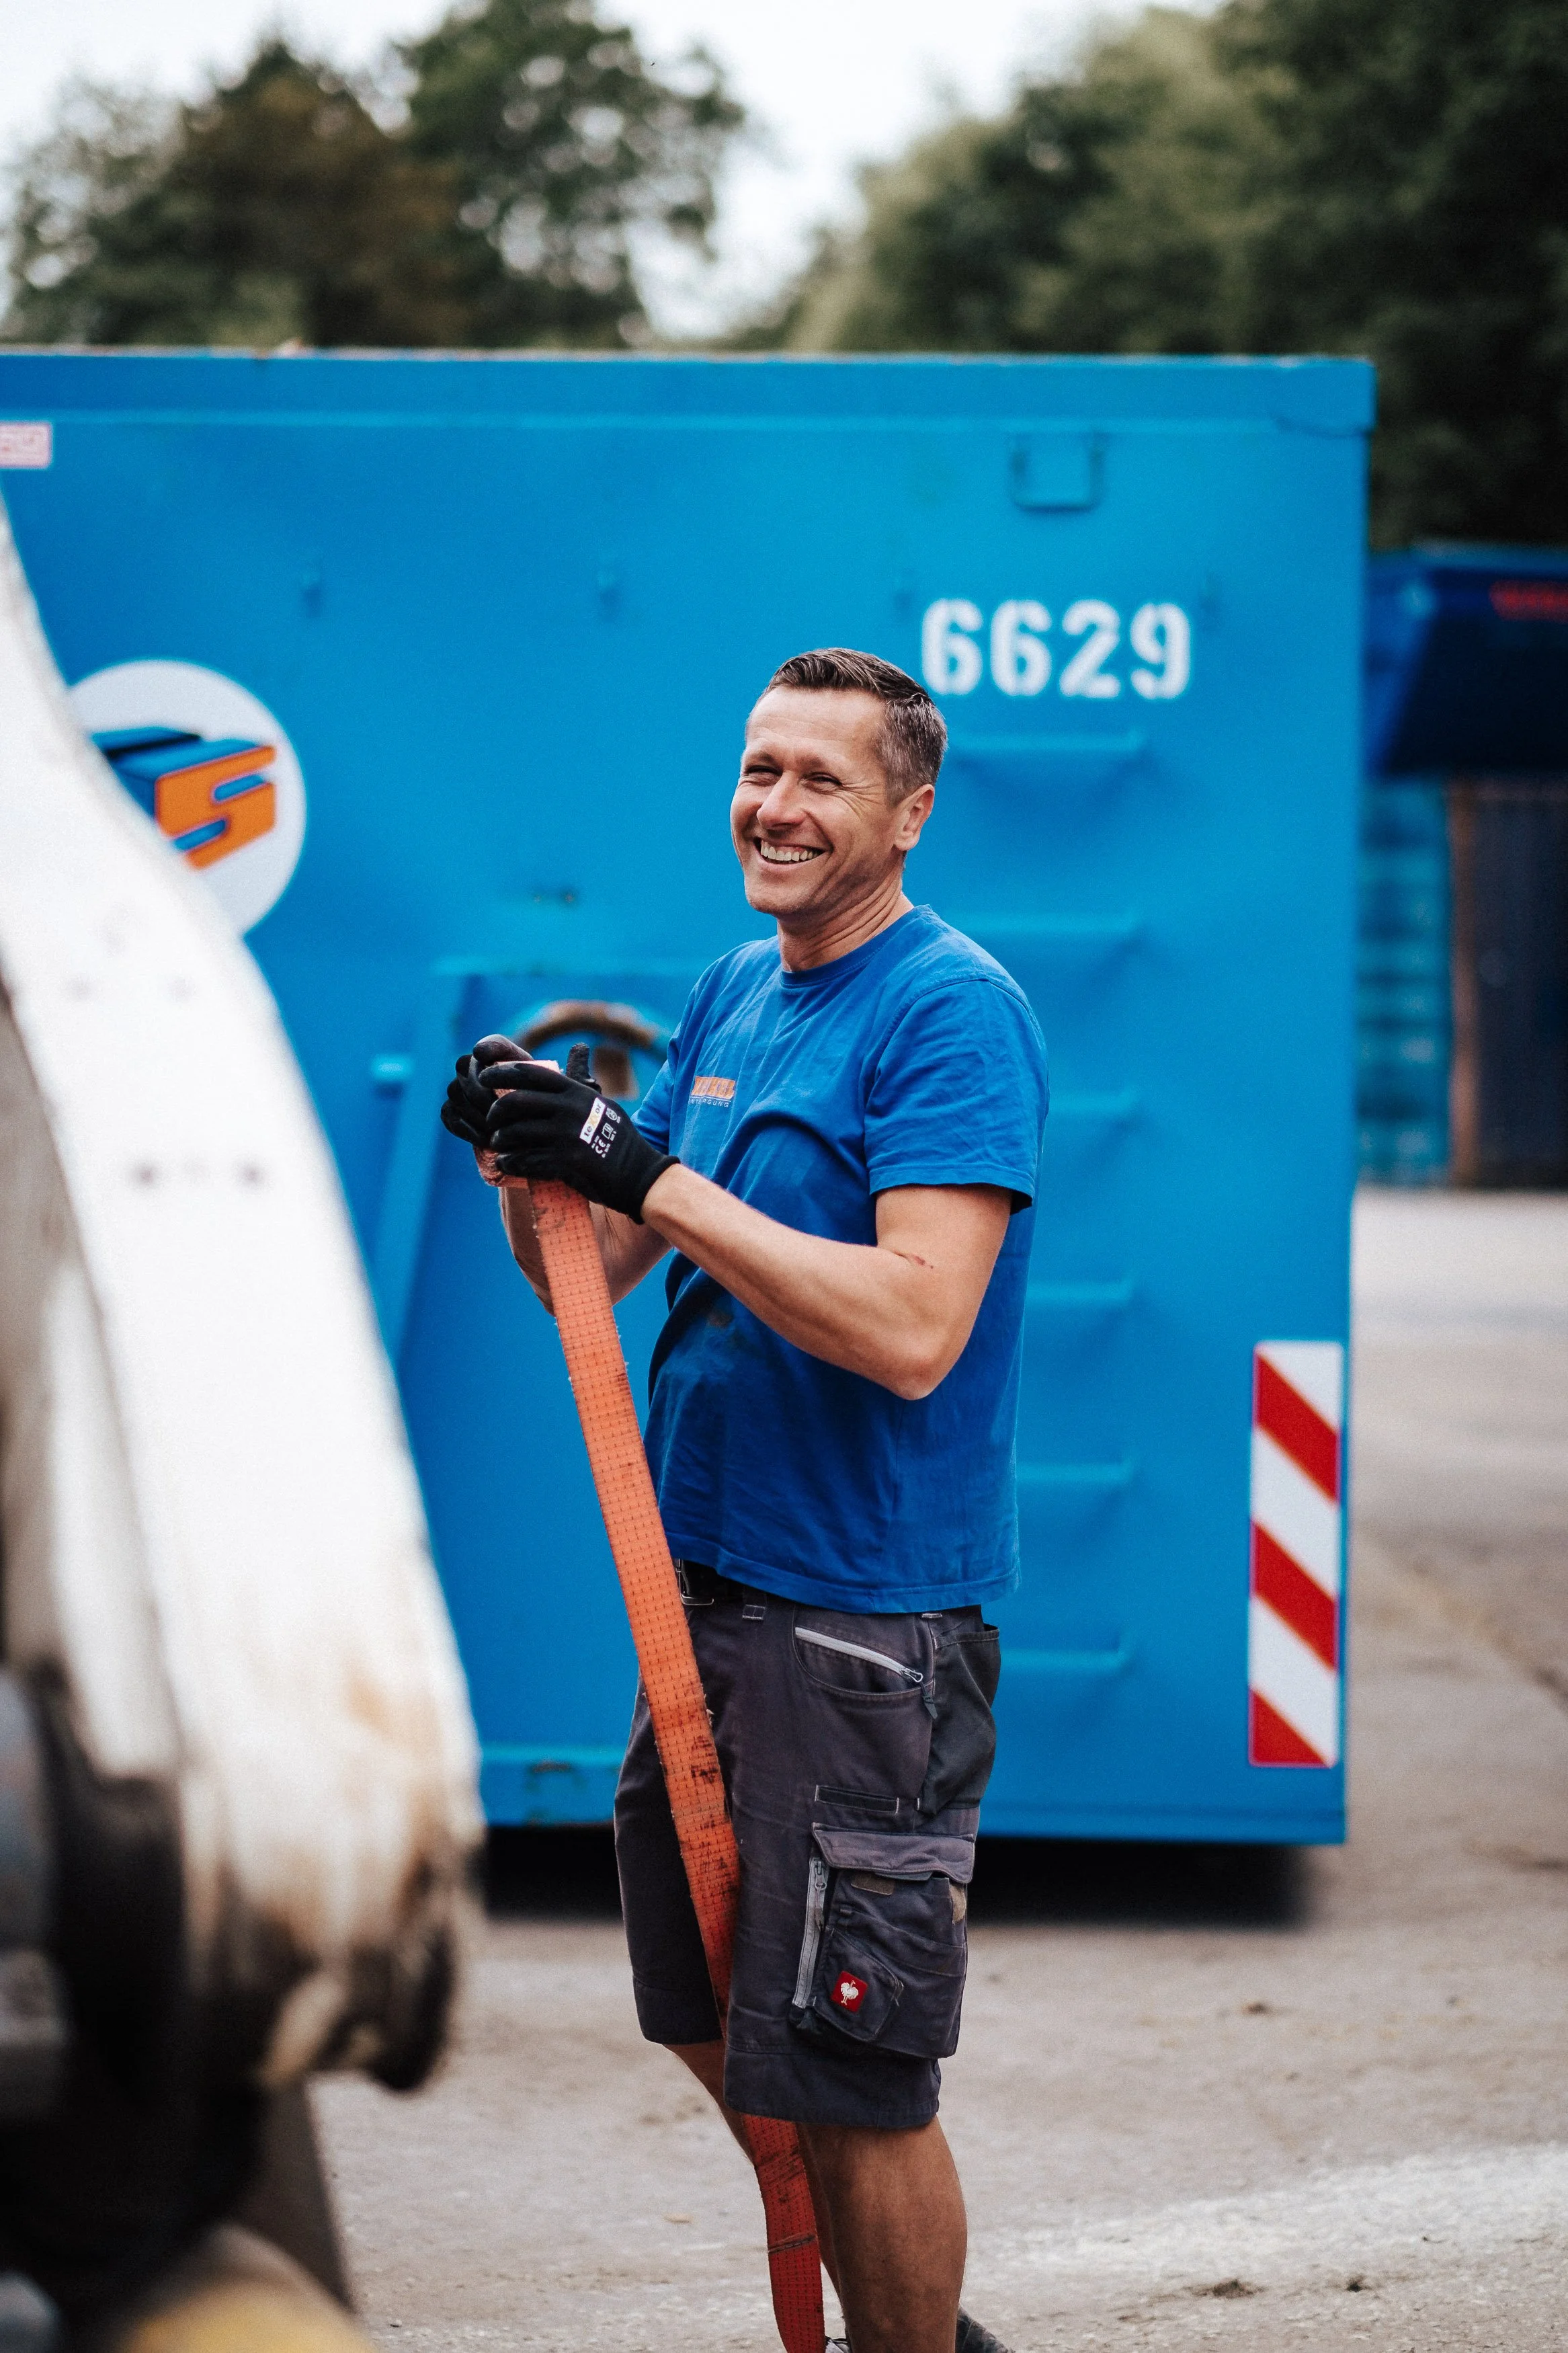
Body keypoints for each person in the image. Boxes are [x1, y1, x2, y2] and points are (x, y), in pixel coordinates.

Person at [442, 648, 1048, 2353]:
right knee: (710, 2008)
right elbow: (616, 1258)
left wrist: (649, 1168)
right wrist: (540, 1165)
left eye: (822, 779)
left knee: (854, 2068)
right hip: (699, 1598)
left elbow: (915, 1325)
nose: (775, 805)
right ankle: (915, 2327)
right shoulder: (738, 986)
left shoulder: (947, 1010)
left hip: (861, 1624)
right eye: (758, 768)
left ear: (907, 814)